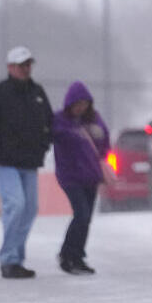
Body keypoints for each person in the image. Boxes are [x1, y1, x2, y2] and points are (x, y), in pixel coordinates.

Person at [0, 46, 53, 279]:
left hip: (29, 161)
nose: (26, 69)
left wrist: (44, 143)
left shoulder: (37, 93)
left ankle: (16, 258)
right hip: (4, 161)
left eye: (29, 64)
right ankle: (9, 259)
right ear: (10, 67)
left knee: (29, 209)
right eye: (21, 65)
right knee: (16, 204)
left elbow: (48, 121)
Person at [51, 81, 111, 275]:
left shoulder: (94, 119)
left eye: (84, 104)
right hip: (70, 176)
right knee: (81, 214)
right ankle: (66, 254)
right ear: (70, 103)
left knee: (86, 218)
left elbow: (104, 143)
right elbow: (56, 135)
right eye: (77, 104)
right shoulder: (60, 120)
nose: (80, 108)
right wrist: (74, 134)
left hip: (91, 175)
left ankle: (77, 256)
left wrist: (99, 136)